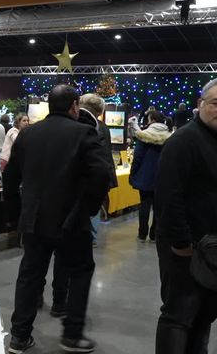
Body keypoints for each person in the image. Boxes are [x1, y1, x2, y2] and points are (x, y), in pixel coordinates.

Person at [4, 85, 110, 353]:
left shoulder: (28, 134)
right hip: (71, 220)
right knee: (81, 271)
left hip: (34, 218)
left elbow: (10, 176)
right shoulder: (84, 132)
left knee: (30, 274)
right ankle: (72, 334)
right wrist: (88, 207)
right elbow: (101, 173)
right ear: (74, 105)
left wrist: (15, 213)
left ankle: (19, 336)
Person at [154, 79, 217, 354]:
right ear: (200, 105)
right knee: (178, 316)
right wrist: (181, 244)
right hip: (185, 249)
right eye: (216, 104)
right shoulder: (183, 141)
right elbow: (169, 196)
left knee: (204, 315)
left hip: (211, 250)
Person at [79, 93, 118, 246]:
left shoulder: (87, 125)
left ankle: (89, 236)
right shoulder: (103, 127)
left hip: (87, 175)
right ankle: (91, 235)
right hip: (98, 175)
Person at [128, 110, 171, 243]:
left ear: (151, 119)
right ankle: (154, 234)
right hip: (163, 177)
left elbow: (138, 157)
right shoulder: (171, 137)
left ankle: (142, 234)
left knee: (144, 205)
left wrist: (133, 173)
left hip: (145, 175)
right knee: (159, 207)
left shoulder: (143, 135)